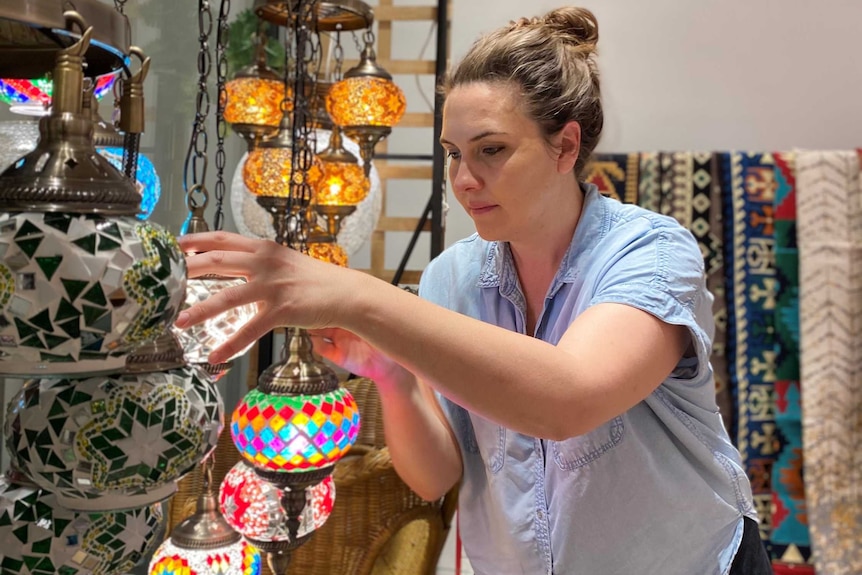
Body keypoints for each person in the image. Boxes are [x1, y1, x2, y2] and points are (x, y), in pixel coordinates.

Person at [176, 6, 772, 574]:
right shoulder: (451, 278)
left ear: (565, 145)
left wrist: (357, 296)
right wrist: (393, 376)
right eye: (454, 154)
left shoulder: (649, 252)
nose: (463, 179)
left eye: (491, 151)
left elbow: (567, 399)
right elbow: (436, 477)